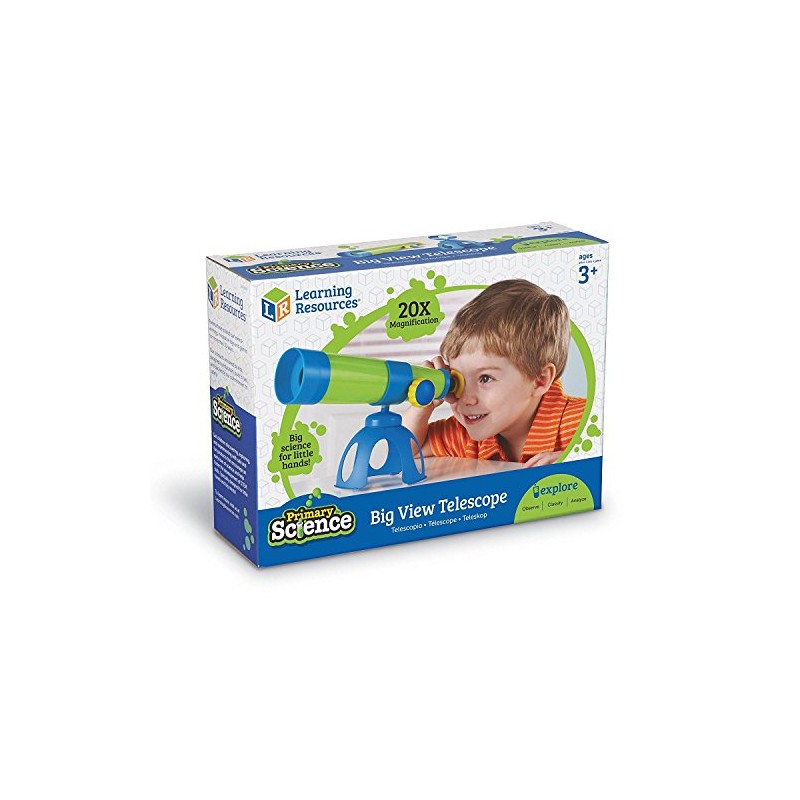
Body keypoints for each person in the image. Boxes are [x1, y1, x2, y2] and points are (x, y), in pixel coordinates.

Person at [404, 279, 585, 466]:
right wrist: (423, 404)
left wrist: (576, 460)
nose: (466, 399)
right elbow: (405, 451)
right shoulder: (467, 436)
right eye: (456, 379)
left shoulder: (580, 421)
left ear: (539, 379)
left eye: (485, 378)